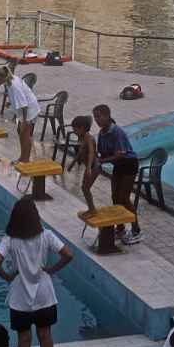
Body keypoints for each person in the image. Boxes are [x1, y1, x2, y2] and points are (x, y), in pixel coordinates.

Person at [0, 196, 73, 347]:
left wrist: (8, 277)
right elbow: (68, 255)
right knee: (45, 335)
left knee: (24, 339)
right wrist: (51, 270)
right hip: (44, 294)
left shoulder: (10, 240)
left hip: (20, 296)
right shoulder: (47, 236)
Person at [89, 104, 141, 244]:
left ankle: (136, 230)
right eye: (95, 117)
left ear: (107, 115)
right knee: (115, 197)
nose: (97, 120)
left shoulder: (117, 132)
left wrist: (101, 160)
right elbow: (101, 153)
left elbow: (119, 154)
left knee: (124, 198)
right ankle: (120, 228)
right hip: (118, 166)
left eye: (99, 116)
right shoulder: (102, 133)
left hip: (129, 165)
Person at [0, 67, 40, 164]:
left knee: (25, 134)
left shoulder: (14, 85)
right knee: (21, 132)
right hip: (27, 109)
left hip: (29, 111)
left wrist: (25, 121)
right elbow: (20, 97)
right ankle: (22, 158)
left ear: (1, 77)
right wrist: (11, 103)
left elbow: (24, 105)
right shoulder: (10, 80)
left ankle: (25, 161)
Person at [67, 115, 98, 217]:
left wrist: (88, 167)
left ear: (82, 128)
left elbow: (91, 153)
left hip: (94, 167)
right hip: (90, 167)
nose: (74, 132)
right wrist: (72, 164)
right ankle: (91, 209)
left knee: (85, 188)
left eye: (75, 129)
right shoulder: (82, 137)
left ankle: (92, 210)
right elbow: (80, 152)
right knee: (85, 188)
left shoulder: (89, 138)